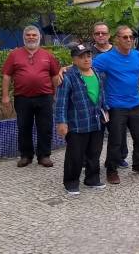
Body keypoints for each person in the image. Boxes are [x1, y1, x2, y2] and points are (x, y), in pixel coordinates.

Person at [92, 26, 139, 184]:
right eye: (124, 37)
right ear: (117, 39)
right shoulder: (106, 58)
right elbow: (86, 66)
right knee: (116, 140)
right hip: (116, 106)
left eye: (130, 37)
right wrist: (65, 69)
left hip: (135, 104)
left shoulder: (137, 55)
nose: (128, 40)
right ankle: (111, 170)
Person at [1, 25, 60, 168]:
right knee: (23, 127)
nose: (31, 37)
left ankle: (44, 156)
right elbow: (7, 75)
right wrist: (5, 96)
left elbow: (55, 75)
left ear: (39, 37)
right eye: (28, 35)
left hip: (45, 97)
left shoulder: (48, 55)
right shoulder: (14, 55)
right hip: (22, 98)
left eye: (34, 35)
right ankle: (26, 156)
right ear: (24, 37)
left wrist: (58, 95)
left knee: (45, 127)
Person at [55, 43, 108, 195]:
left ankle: (92, 179)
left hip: (96, 121)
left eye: (88, 56)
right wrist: (61, 122)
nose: (86, 60)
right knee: (75, 155)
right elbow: (61, 101)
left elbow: (101, 94)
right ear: (74, 60)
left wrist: (106, 109)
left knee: (94, 153)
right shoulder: (68, 76)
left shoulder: (97, 73)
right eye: (82, 57)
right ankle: (71, 182)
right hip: (77, 123)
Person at [89, 22, 128, 169]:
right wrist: (62, 69)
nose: (100, 36)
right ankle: (91, 161)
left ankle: (119, 157)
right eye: (97, 33)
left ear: (109, 35)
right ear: (93, 35)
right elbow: (77, 66)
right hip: (95, 99)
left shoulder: (119, 51)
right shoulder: (88, 52)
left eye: (103, 33)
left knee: (119, 131)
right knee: (95, 133)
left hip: (116, 98)